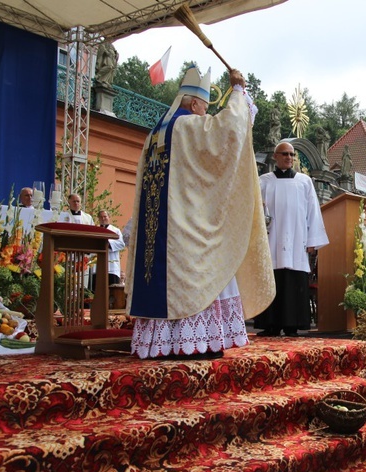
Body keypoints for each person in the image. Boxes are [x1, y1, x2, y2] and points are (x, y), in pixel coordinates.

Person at [125, 65, 274, 359]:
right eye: (205, 107)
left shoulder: (155, 134)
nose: (205, 114)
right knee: (208, 266)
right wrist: (238, 92)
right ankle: (192, 343)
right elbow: (227, 132)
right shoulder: (188, 127)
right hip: (183, 232)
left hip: (159, 237)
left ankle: (162, 343)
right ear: (194, 104)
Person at [256, 140, 329, 337]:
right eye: (285, 154)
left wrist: (313, 240)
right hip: (271, 238)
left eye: (291, 154)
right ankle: (270, 324)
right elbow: (255, 209)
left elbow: (313, 211)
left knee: (293, 280)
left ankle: (292, 325)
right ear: (275, 156)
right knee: (272, 278)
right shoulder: (263, 181)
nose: (289, 157)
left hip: (297, 240)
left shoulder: (304, 181)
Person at [93, 210, 125, 286]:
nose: (103, 218)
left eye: (105, 216)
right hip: (97, 265)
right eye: (101, 217)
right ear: (98, 218)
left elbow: (121, 244)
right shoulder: (95, 230)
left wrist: (107, 243)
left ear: (109, 217)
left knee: (112, 291)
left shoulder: (116, 230)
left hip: (112, 267)